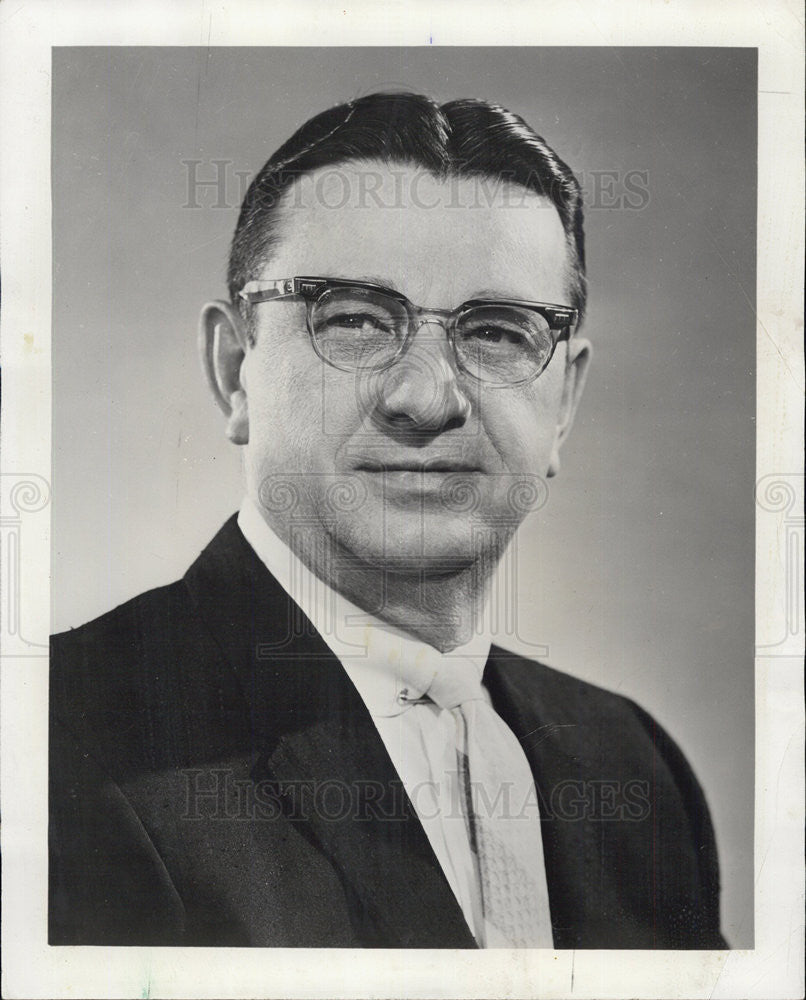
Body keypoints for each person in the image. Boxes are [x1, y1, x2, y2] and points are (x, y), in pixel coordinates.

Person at [49, 91, 727, 949]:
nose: (425, 399)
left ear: (564, 403)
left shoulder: (632, 763)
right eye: (357, 321)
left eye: (498, 332)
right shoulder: (58, 743)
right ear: (235, 372)